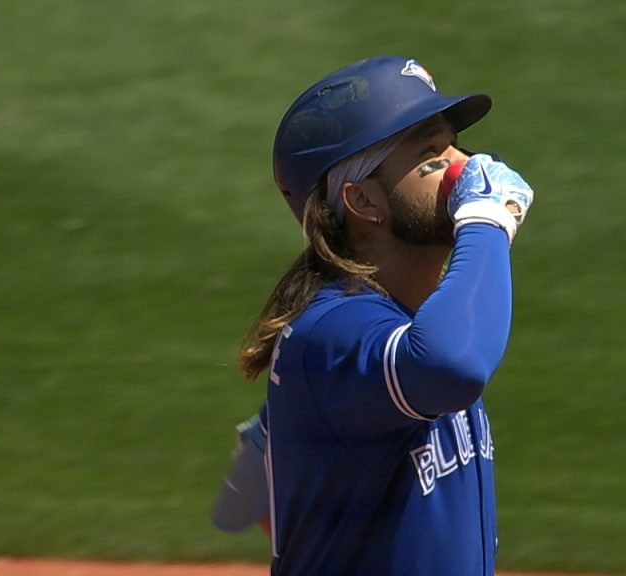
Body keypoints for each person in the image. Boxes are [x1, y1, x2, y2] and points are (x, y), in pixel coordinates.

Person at [212, 55, 534, 575]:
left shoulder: (393, 328)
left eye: (454, 143)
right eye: (431, 155)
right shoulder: (333, 331)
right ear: (363, 200)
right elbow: (454, 364)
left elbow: (253, 472)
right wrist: (487, 219)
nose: (466, 167)